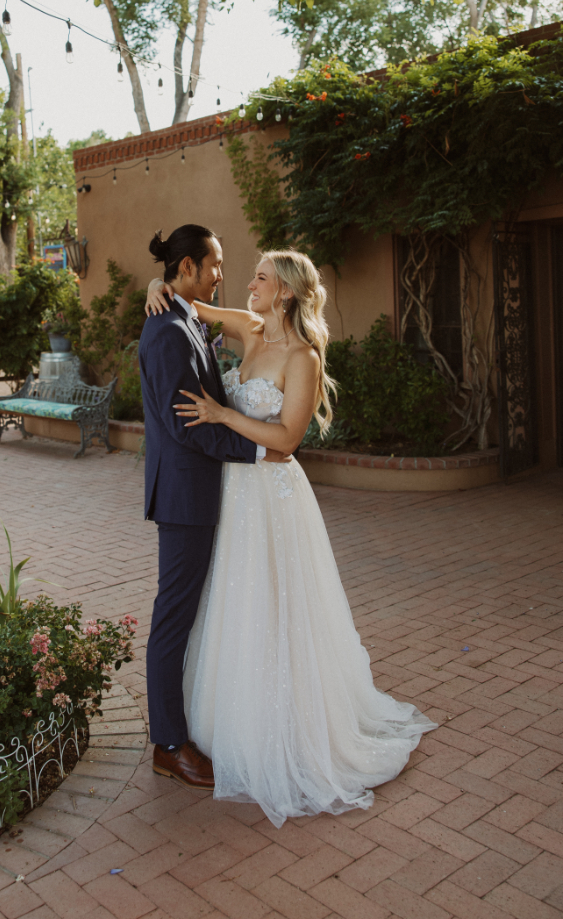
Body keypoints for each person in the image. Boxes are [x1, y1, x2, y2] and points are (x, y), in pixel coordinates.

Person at [145, 247, 436, 827]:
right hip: (232, 495)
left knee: (276, 607)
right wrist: (156, 281)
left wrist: (225, 416)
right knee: (232, 605)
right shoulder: (249, 328)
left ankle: (284, 729)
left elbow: (287, 438)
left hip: (273, 498)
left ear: (284, 292)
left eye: (258, 277)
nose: (246, 283)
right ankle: (226, 723)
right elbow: (189, 303)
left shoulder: (302, 357)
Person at [138, 225, 290, 791]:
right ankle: (169, 745)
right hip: (184, 497)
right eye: (214, 264)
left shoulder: (184, 317)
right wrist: (257, 448)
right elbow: (190, 429)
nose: (221, 273)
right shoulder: (168, 334)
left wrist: (159, 283)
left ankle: (181, 728)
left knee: (187, 614)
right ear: (187, 268)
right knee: (172, 619)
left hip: (199, 492)